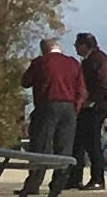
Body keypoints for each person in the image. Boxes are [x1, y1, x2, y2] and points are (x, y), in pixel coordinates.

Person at [21, 36, 86, 172]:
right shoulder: (73, 63)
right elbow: (81, 90)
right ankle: (58, 183)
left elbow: (25, 82)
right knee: (64, 148)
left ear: (44, 49)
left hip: (47, 105)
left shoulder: (40, 62)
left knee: (40, 146)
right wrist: (76, 108)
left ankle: (34, 182)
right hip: (69, 107)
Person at [73, 31, 107, 189]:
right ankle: (75, 177)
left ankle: (97, 179)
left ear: (85, 46)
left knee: (91, 141)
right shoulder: (94, 59)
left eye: (77, 44)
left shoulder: (97, 60)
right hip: (96, 105)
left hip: (97, 106)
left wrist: (92, 101)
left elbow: (103, 83)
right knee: (80, 140)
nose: (75, 47)